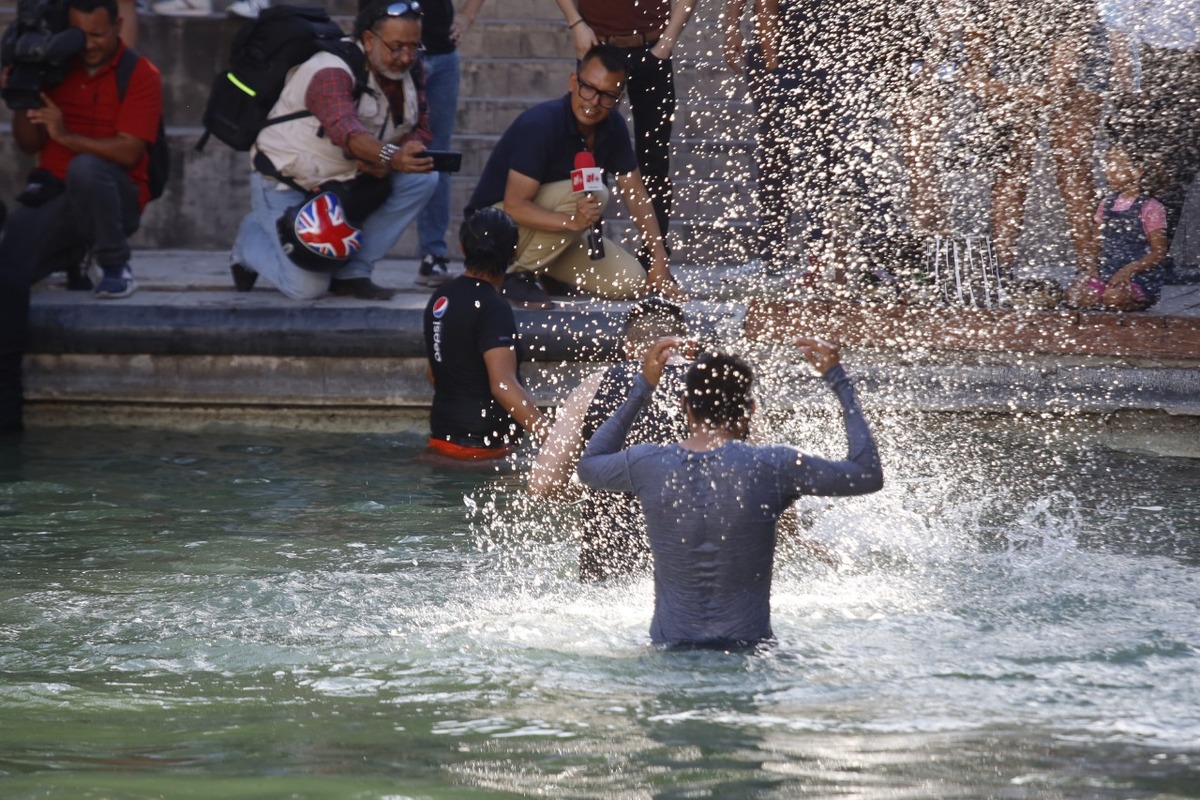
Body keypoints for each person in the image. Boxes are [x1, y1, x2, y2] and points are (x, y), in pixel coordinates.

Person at [577, 337, 883, 648]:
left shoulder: (649, 464)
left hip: (669, 653)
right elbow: (867, 475)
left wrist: (642, 388)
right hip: (748, 653)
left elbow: (589, 465)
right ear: (749, 409)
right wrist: (839, 383)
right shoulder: (775, 465)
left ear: (685, 406)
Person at [0, 0, 163, 432]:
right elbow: (28, 145)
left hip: (116, 194)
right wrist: (22, 96)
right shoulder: (57, 63)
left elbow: (129, 151)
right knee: (10, 272)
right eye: (81, 36)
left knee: (86, 169)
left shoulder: (141, 73)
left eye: (98, 35)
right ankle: (8, 409)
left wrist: (65, 135)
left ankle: (113, 262)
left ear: (119, 26)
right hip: (53, 191)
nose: (89, 45)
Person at [228, 0, 438, 301]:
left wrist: (406, 149)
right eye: (396, 47)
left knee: (422, 179)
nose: (406, 57)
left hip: (343, 183)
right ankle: (249, 240)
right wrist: (388, 156)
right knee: (307, 288)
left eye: (414, 47)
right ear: (368, 39)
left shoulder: (411, 71)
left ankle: (352, 273)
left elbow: (421, 126)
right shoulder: (330, 69)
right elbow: (346, 131)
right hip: (288, 182)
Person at [464, 44, 682, 309]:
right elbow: (514, 205)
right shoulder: (541, 124)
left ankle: (543, 269)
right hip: (494, 229)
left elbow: (635, 193)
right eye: (588, 88)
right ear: (572, 82)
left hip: (554, 230)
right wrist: (572, 222)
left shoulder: (613, 127)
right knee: (595, 192)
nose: (593, 102)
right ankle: (516, 275)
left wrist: (659, 258)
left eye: (607, 96)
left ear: (620, 98)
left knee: (632, 282)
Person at [530, 297, 690, 580]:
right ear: (685, 346)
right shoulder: (720, 384)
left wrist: (597, 485)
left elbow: (543, 484)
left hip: (609, 559)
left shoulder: (594, 386)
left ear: (628, 348)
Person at [554, 0, 698, 251]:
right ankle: (588, 250)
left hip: (653, 46)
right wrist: (575, 22)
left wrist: (667, 41)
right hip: (598, 46)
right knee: (587, 154)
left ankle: (655, 256)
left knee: (655, 158)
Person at [423, 207, 548, 460]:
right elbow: (503, 385)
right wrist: (553, 439)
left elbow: (433, 371)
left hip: (441, 437)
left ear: (462, 248)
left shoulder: (441, 297)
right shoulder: (493, 306)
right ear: (515, 251)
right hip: (485, 450)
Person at [412, 0, 488, 288]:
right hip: (389, 47)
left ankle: (433, 254)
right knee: (375, 149)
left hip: (442, 53)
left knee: (436, 158)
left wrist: (468, 15)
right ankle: (353, 261)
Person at [1065, 143, 1169, 311]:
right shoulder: (1106, 203)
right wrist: (1091, 267)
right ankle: (1102, 293)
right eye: (1108, 163)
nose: (1109, 170)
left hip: (1136, 277)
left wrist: (1129, 270)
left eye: (1117, 164)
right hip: (1106, 272)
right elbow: (1096, 243)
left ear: (1138, 171)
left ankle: (1135, 298)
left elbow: (1159, 253)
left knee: (1113, 298)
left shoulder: (1151, 207)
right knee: (1075, 296)